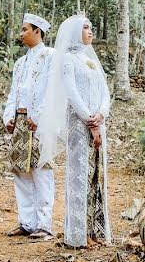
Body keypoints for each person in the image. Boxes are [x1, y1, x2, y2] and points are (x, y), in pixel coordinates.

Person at [42, 14, 112, 248]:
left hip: (97, 123)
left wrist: (101, 114)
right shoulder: (68, 60)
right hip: (78, 124)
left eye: (91, 27)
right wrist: (89, 120)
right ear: (74, 32)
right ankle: (77, 234)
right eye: (85, 28)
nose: (90, 31)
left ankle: (95, 231)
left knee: (96, 176)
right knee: (79, 176)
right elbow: (71, 93)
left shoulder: (91, 61)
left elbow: (105, 90)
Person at [3, 13, 56, 239]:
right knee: (20, 172)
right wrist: (8, 117)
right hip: (21, 122)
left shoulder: (51, 56)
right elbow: (14, 92)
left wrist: (40, 116)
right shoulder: (20, 62)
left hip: (40, 123)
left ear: (37, 31)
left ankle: (44, 224)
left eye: (25, 29)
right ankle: (27, 222)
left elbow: (53, 90)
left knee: (41, 170)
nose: (21, 33)